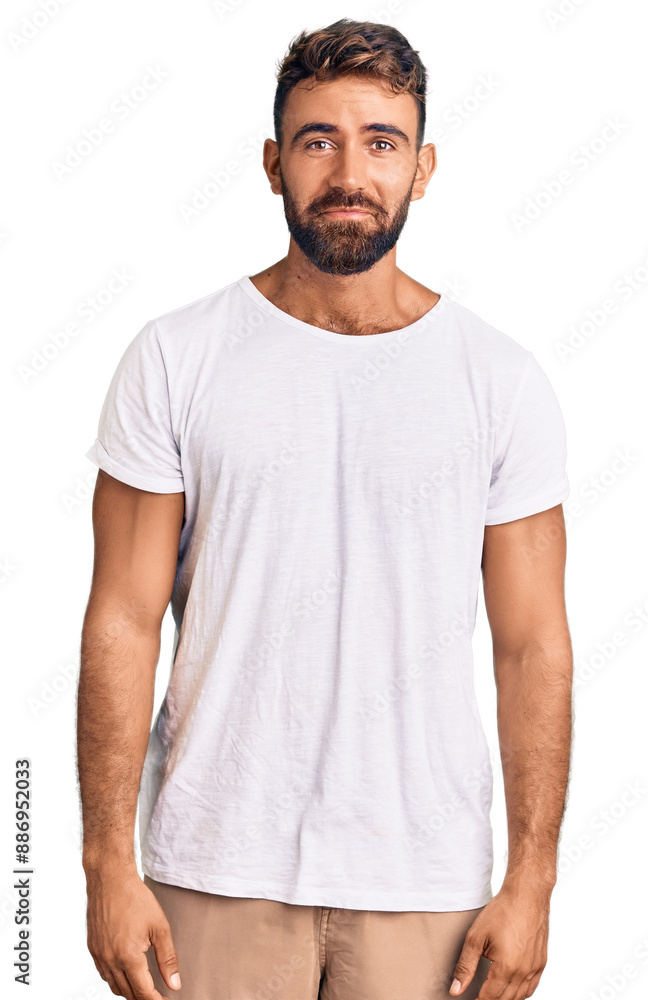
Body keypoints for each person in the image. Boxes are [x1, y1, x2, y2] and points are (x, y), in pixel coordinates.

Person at [77, 17, 573, 1000]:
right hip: (213, 868)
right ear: (274, 164)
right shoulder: (177, 358)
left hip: (424, 882)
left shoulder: (499, 381)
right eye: (318, 140)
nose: (350, 173)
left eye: (381, 142)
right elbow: (123, 620)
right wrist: (104, 866)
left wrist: (535, 879)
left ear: (422, 169)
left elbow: (533, 649)